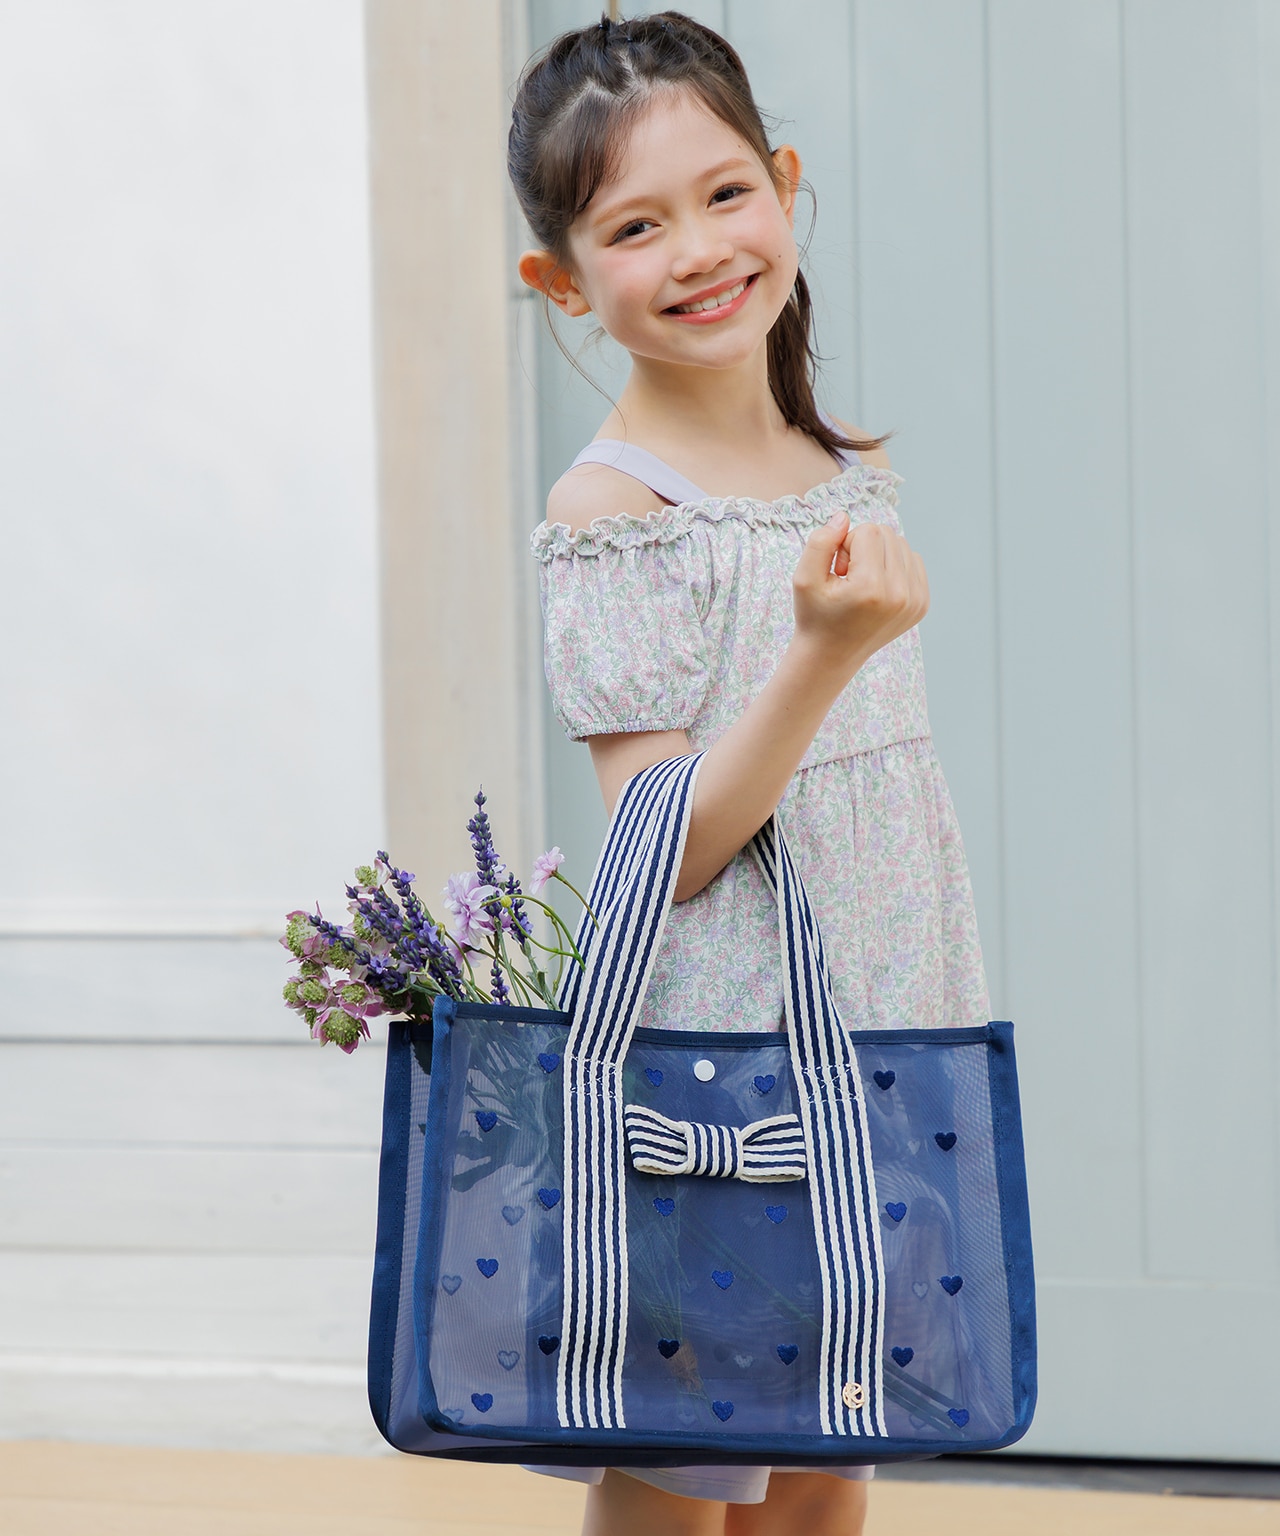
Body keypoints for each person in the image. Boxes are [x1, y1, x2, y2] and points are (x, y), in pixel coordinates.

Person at [509, 12, 989, 1535]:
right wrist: (821, 655)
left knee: (830, 1455)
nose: (701, 249)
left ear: (784, 184)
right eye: (635, 226)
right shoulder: (610, 512)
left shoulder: (839, 467)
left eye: (726, 194)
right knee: (690, 1455)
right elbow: (670, 849)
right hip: (718, 1060)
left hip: (878, 1021)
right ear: (563, 282)